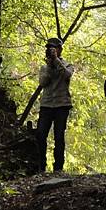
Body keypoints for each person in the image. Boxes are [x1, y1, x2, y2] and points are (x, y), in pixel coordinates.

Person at [36, 37, 74, 172]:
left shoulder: (67, 65)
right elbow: (43, 82)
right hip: (46, 105)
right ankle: (41, 166)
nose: (51, 50)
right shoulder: (44, 67)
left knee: (59, 136)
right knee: (40, 134)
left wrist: (56, 61)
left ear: (60, 49)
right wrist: (50, 66)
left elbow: (67, 75)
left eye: (54, 48)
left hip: (62, 105)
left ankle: (58, 167)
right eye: (49, 48)